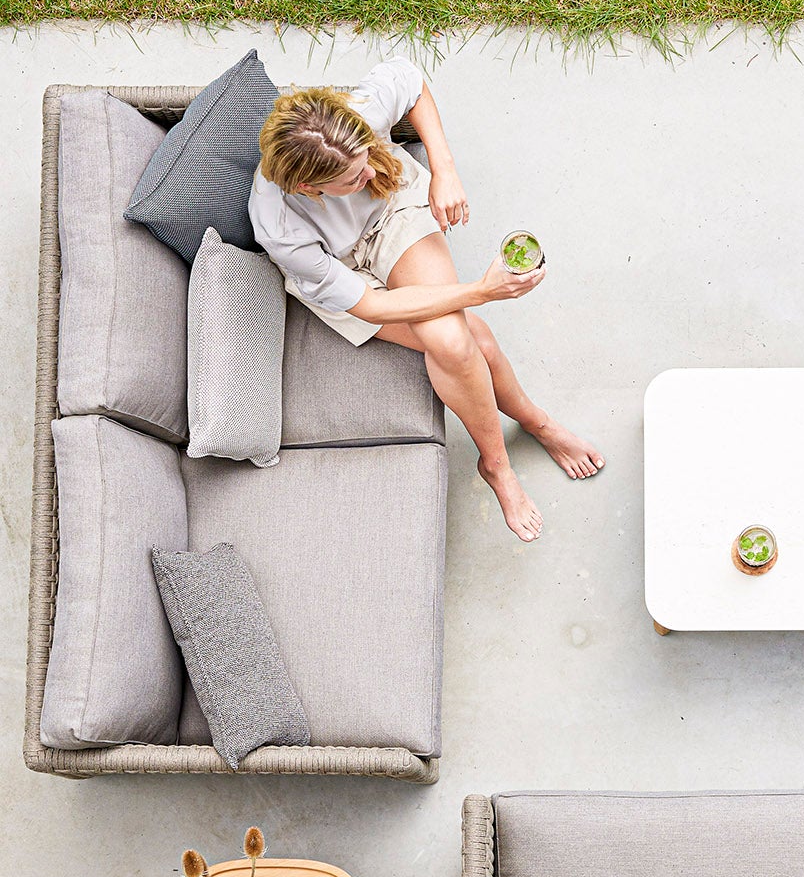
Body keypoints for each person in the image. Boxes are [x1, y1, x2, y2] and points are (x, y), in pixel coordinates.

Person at [252, 60, 602, 542]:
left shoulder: (348, 121)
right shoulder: (280, 228)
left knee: (451, 340)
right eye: (353, 178)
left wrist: (444, 170)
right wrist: (484, 291)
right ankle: (504, 457)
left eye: (368, 155)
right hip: (345, 272)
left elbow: (411, 80)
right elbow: (370, 308)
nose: (370, 170)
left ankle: (526, 430)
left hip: (392, 215)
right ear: (310, 189)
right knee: (468, 339)